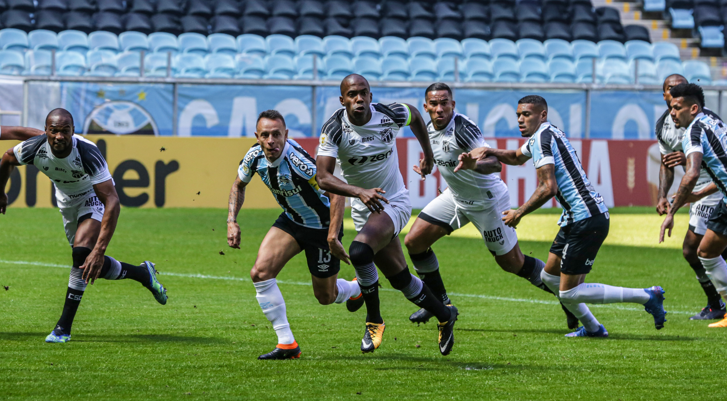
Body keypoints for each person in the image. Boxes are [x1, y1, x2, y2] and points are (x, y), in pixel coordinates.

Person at [457, 95, 667, 337]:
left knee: (569, 292)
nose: (521, 119)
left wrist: (520, 212)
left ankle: (646, 296)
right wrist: (488, 150)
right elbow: (515, 158)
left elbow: (549, 187)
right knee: (548, 275)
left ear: (542, 115)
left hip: (586, 218)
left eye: (527, 114)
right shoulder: (545, 134)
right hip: (576, 217)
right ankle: (593, 328)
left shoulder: (543, 139)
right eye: (518, 115)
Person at [403, 83, 578, 329]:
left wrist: (474, 165)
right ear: (426, 107)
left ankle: (568, 299)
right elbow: (436, 150)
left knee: (513, 263)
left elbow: (495, 164)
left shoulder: (463, 129)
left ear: (453, 105)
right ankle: (441, 305)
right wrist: (428, 163)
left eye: (445, 103)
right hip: (456, 197)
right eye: (434, 104)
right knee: (414, 241)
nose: (439, 108)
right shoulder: (429, 128)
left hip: (487, 201)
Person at [316, 74, 458, 355]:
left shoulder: (388, 114)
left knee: (358, 252)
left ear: (370, 95)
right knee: (400, 278)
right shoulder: (334, 128)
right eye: (353, 94)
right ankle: (445, 314)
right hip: (363, 208)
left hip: (393, 201)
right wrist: (359, 192)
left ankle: (374, 320)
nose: (359, 99)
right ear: (342, 100)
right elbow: (323, 177)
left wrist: (427, 154)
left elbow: (416, 116)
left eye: (364, 93)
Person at [0, 109, 167, 343]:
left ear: (73, 130)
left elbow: (112, 201)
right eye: (54, 131)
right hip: (67, 202)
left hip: (93, 197)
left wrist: (99, 250)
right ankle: (142, 273)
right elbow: (7, 157)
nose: (59, 136)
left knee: (82, 254)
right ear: (47, 131)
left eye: (65, 131)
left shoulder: (87, 153)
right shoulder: (35, 147)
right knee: (85, 261)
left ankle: (62, 328)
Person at [227, 110, 363, 360]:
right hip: (292, 221)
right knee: (260, 273)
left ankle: (356, 288)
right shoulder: (254, 156)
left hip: (322, 225)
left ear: (286, 135)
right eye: (265, 135)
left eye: (276, 135)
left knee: (326, 297)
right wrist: (232, 221)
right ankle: (287, 343)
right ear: (257, 137)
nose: (271, 141)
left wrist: (332, 237)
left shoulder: (297, 161)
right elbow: (238, 184)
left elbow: (337, 193)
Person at [654, 75, 726, 320]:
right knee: (704, 251)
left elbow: (693, 171)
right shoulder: (709, 123)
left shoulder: (693, 130)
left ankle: (718, 307)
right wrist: (695, 195)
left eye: (677, 107)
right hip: (718, 192)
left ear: (693, 108)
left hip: (716, 194)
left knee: (700, 250)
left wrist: (672, 213)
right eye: (671, 106)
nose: (672, 112)